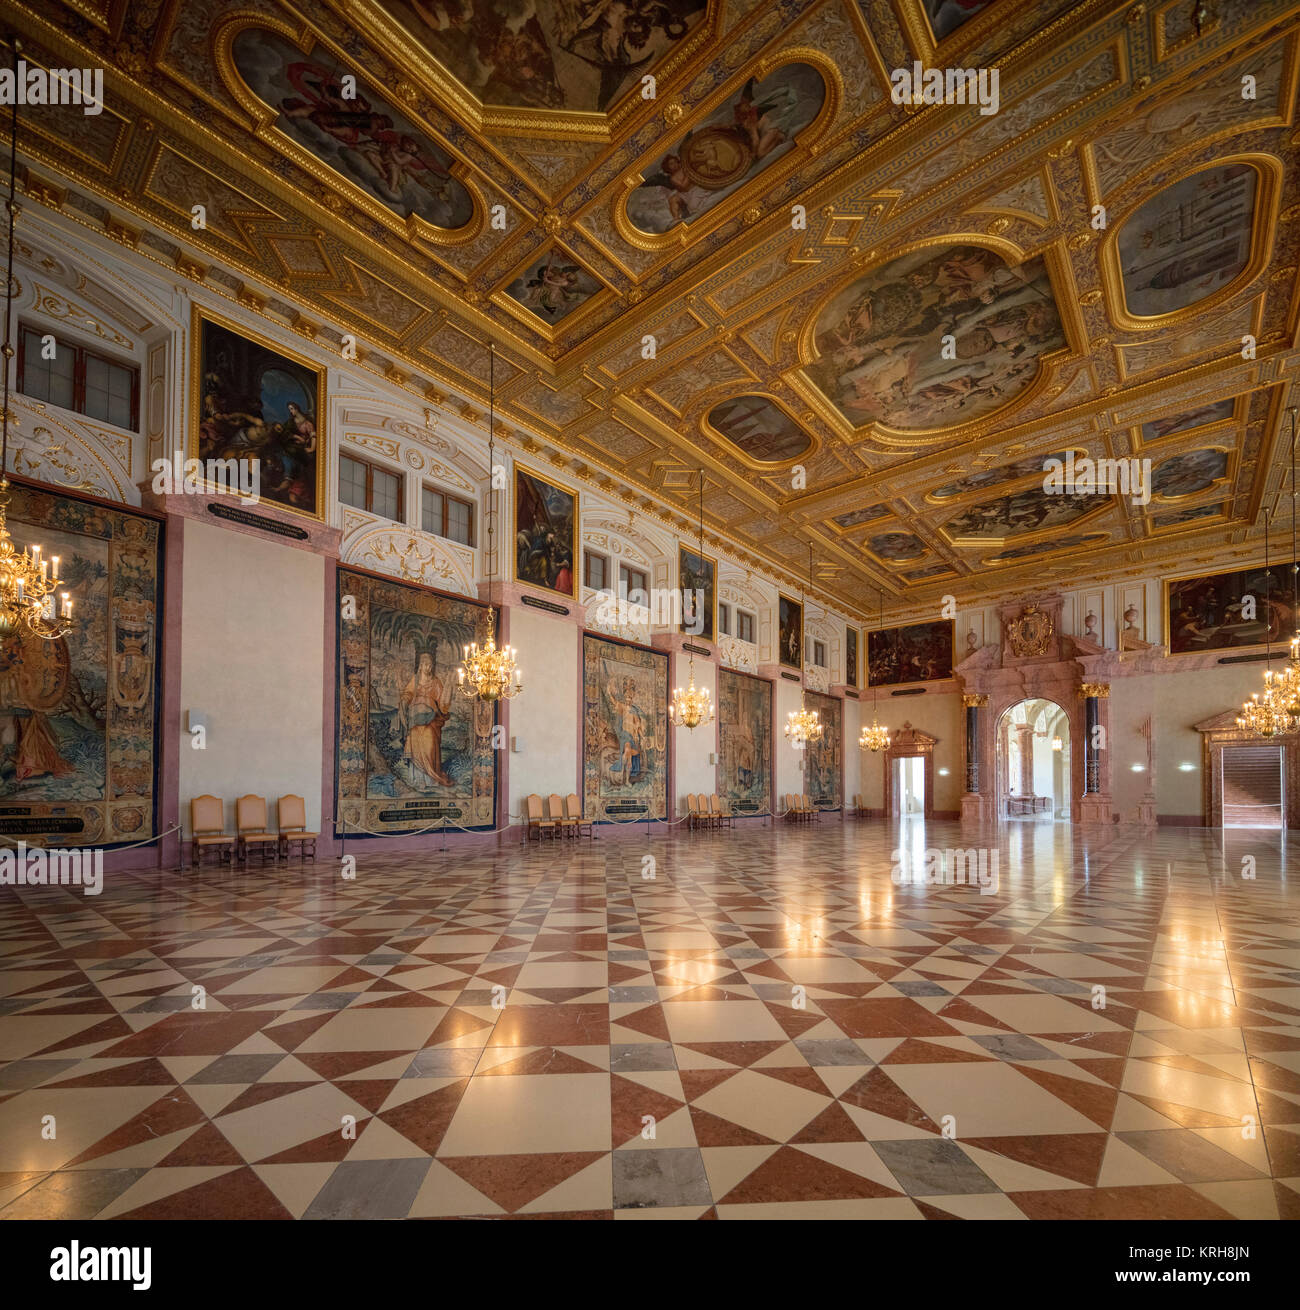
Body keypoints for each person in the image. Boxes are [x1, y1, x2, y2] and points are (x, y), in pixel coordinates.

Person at [399, 651, 452, 787]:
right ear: (421, 666)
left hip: (431, 721)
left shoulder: (436, 682)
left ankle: (431, 778)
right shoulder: (415, 679)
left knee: (430, 745)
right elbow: (407, 693)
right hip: (415, 721)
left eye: (430, 665)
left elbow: (442, 703)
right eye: (426, 665)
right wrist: (405, 701)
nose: (428, 668)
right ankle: (417, 779)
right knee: (415, 744)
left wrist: (447, 695)